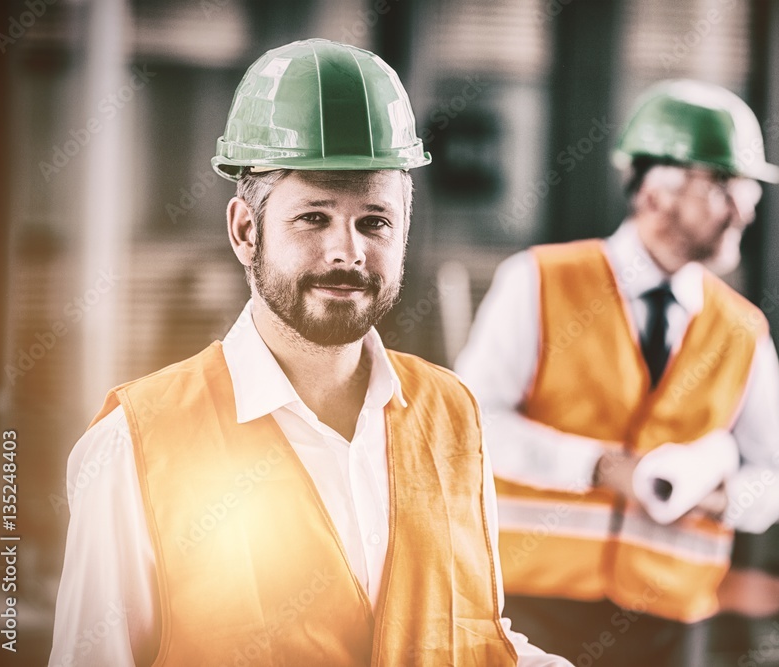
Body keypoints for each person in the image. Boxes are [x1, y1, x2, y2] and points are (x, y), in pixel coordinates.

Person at [49, 39, 570, 667]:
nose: (346, 251)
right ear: (246, 231)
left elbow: (473, 636)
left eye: (374, 221)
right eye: (314, 218)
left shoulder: (454, 415)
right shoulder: (136, 444)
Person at [455, 79, 779, 665]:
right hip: (531, 605)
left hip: (670, 625)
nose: (745, 207)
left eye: (746, 189)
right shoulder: (540, 281)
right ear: (654, 194)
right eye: (721, 184)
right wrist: (598, 467)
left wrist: (725, 497)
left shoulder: (742, 328)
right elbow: (470, 426)